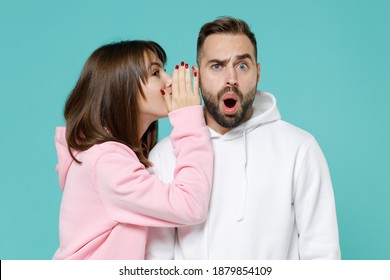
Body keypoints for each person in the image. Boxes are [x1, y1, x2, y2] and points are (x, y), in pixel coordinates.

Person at [146, 17, 341, 259]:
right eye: (217, 66)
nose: (231, 79)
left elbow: (322, 255)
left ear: (258, 72)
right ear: (197, 76)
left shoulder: (300, 149)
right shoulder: (164, 157)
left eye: (242, 66)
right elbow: (157, 262)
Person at [53, 40, 213, 259]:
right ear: (123, 88)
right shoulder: (107, 162)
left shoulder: (106, 157)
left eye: (164, 71)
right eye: (155, 73)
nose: (169, 81)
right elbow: (190, 206)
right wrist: (189, 120)